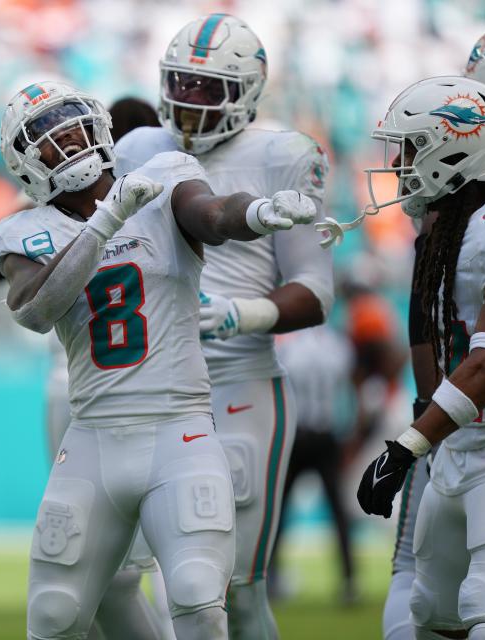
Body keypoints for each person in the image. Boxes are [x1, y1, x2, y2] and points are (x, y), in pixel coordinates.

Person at [0, 80, 316, 640]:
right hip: (92, 436)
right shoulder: (21, 231)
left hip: (179, 431)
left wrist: (257, 212)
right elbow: (36, 309)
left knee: (196, 597)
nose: (67, 142)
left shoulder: (162, 176)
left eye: (73, 125)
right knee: (55, 614)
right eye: (47, 137)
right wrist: (105, 221)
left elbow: (213, 213)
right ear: (26, 163)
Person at [114, 15, 334, 639]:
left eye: (208, 88)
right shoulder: (138, 149)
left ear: (246, 91)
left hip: (240, 385)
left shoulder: (283, 156)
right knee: (138, 579)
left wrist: (245, 313)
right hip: (148, 387)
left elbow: (315, 292)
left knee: (230, 587)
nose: (188, 101)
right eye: (181, 82)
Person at [0, 95, 166, 640]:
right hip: (89, 389)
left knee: (154, 568)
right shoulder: (49, 212)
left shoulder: (159, 195)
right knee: (108, 569)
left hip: (135, 393)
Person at [355, 75, 485, 640]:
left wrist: (406, 448)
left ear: (453, 152)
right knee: (430, 619)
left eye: (410, 147)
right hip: (458, 458)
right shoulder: (447, 233)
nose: (400, 163)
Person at [270, 325, 356, 604]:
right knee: (338, 510)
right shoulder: (338, 345)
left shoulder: (289, 346)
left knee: (279, 509)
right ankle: (348, 580)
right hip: (326, 433)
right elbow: (348, 383)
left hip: (299, 433)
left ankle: (272, 577)